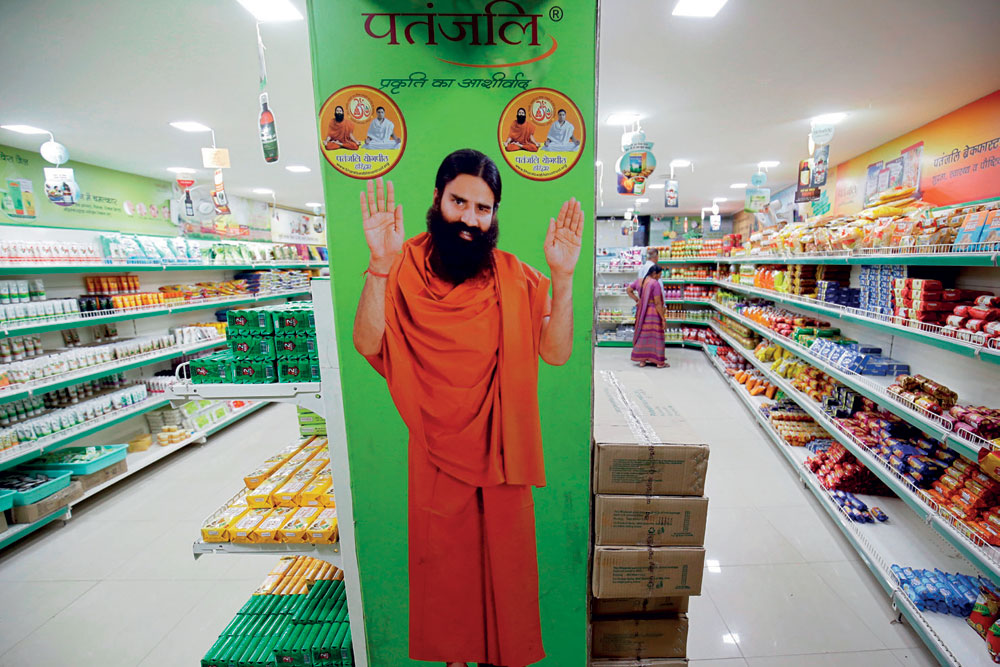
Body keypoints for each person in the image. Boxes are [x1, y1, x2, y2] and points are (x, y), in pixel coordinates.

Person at [353, 150, 584, 667]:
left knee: (505, 587)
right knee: (449, 594)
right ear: (437, 200)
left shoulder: (513, 275)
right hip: (436, 457)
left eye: (485, 208)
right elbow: (368, 341)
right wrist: (377, 267)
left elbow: (555, 351)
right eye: (460, 202)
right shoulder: (402, 266)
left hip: (502, 458)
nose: (471, 219)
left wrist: (563, 278)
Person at [628, 264, 668, 368]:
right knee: (656, 335)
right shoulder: (655, 284)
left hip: (642, 312)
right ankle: (659, 362)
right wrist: (663, 318)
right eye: (659, 275)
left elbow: (629, 290)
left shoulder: (640, 281)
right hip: (653, 313)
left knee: (643, 335)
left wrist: (637, 299)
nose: (659, 277)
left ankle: (642, 361)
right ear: (654, 274)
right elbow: (658, 303)